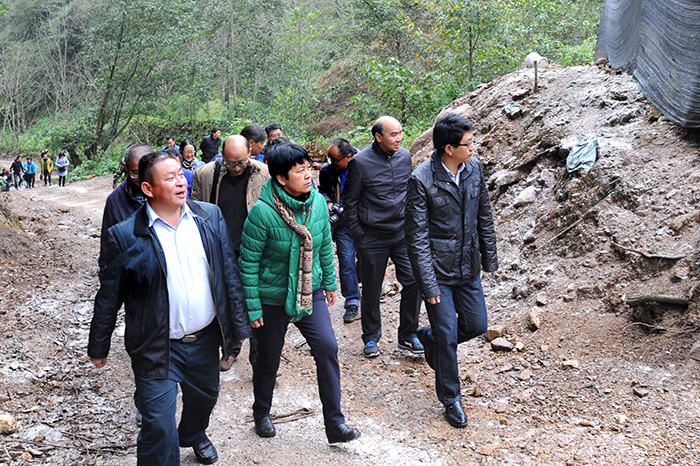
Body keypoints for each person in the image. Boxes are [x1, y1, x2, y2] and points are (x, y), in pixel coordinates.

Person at [89, 150, 251, 465]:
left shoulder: (209, 217)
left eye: (181, 175)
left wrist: (238, 327)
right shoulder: (125, 236)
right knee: (158, 428)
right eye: (170, 178)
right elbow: (108, 295)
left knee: (205, 398)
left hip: (204, 340)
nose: (181, 182)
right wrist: (99, 344)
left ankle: (192, 433)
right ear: (148, 188)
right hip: (156, 345)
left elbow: (228, 274)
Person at [239, 142, 360, 444]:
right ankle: (261, 412)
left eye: (308, 168)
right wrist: (252, 308)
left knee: (327, 349)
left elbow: (323, 244)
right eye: (300, 171)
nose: (308, 175)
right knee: (268, 359)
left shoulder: (317, 202)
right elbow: (248, 264)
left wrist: (329, 282)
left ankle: (335, 424)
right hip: (272, 297)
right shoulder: (262, 214)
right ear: (281, 178)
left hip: (310, 291)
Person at [405, 113, 498, 428]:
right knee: (448, 336)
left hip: (468, 265)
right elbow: (416, 238)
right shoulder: (421, 180)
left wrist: (489, 257)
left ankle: (429, 337)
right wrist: (428, 285)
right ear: (448, 148)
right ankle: (451, 399)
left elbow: (484, 213)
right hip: (438, 272)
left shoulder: (474, 168)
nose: (473, 148)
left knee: (476, 324)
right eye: (468, 143)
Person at [343, 115, 423, 358]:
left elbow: (410, 192)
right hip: (372, 237)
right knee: (372, 289)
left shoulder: (405, 157)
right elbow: (350, 201)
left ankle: (408, 335)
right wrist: (359, 235)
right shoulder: (360, 162)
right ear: (378, 137)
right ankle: (370, 337)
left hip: (401, 234)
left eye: (401, 133)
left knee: (414, 282)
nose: (400, 138)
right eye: (393, 134)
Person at [191, 135, 269, 370]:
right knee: (225, 304)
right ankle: (230, 348)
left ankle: (261, 362)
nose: (236, 168)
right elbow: (194, 212)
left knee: (258, 306)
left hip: (254, 251)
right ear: (222, 155)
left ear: (251, 152)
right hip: (221, 251)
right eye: (231, 163)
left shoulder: (263, 174)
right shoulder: (205, 174)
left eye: (242, 162)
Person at [318, 138, 360, 324]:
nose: (331, 163)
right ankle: (352, 301)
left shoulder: (362, 165)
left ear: (348, 157)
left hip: (363, 221)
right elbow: (323, 190)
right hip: (342, 224)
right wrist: (328, 202)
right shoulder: (327, 171)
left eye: (335, 160)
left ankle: (357, 279)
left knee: (368, 260)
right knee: (346, 260)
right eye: (329, 160)